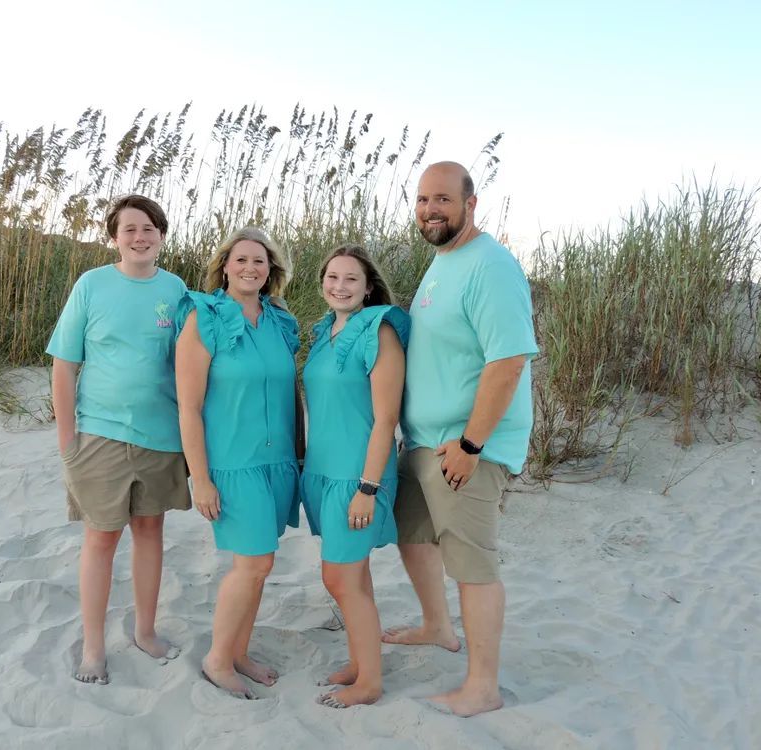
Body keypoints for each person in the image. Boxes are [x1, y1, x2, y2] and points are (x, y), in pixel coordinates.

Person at [385, 161, 539, 716]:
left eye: (444, 200)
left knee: (473, 565)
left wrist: (472, 445)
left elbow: (509, 361)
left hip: (465, 448)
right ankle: (435, 625)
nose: (431, 210)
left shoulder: (491, 266)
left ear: (471, 204)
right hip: (424, 442)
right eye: (423, 199)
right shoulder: (443, 261)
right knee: (412, 535)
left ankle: (483, 687)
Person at [47, 194, 191, 685]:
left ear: (162, 235)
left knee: (150, 531)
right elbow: (65, 366)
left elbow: (187, 364)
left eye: (149, 227)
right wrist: (69, 440)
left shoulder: (175, 290)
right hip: (100, 434)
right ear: (114, 237)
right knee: (101, 536)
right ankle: (93, 648)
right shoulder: (92, 285)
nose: (140, 236)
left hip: (159, 435)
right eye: (129, 229)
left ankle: (145, 631)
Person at [175, 227, 302, 700]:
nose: (251, 268)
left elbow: (290, 392)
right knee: (250, 565)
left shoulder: (280, 321)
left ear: (272, 271)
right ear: (224, 265)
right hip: (232, 463)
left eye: (261, 261)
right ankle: (216, 659)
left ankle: (239, 651)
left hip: (277, 462)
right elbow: (188, 407)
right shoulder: (204, 317)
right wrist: (200, 479)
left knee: (262, 565)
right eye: (242, 260)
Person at [300, 245, 409, 709]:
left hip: (357, 476)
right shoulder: (324, 331)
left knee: (340, 578)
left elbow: (386, 419)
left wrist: (368, 488)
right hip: (323, 472)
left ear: (368, 287)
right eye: (332, 277)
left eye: (351, 279)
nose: (339, 286)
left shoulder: (379, 330)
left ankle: (369, 684)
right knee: (353, 576)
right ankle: (363, 663)